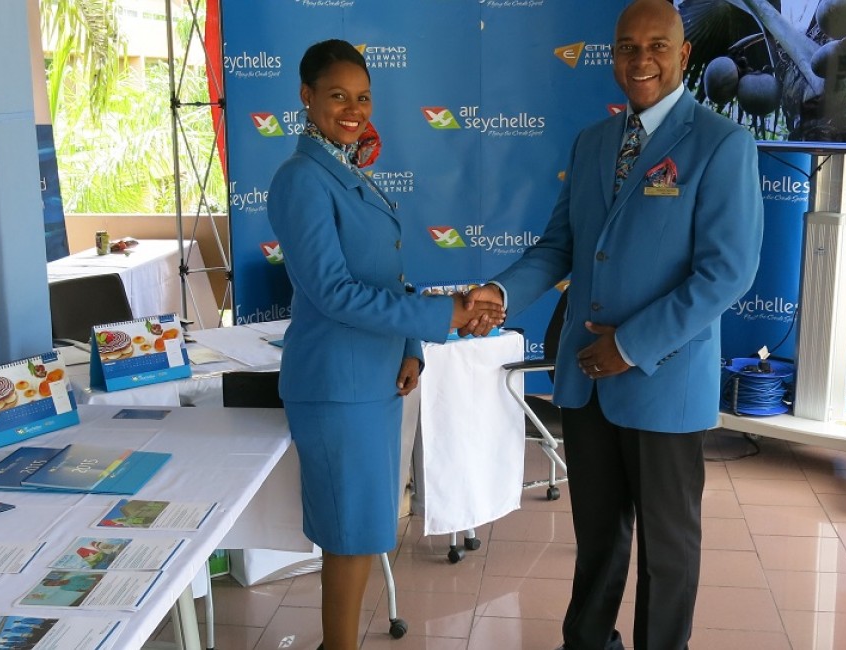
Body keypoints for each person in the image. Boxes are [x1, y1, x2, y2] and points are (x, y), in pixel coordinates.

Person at [463, 2, 763, 648]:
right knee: (598, 540)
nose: (641, 59)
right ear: (613, 56)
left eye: (658, 45)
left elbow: (726, 274)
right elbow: (557, 247)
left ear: (684, 56)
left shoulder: (722, 144)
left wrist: (630, 345)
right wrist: (498, 293)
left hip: (661, 379)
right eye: (627, 47)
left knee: (667, 552)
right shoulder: (595, 143)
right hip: (587, 380)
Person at [267, 39, 503, 650]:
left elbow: (384, 279)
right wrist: (442, 316)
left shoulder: (347, 171)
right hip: (335, 385)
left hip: (373, 378)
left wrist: (412, 345)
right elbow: (335, 293)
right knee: (350, 535)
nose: (353, 108)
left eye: (363, 96)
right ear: (306, 97)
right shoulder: (302, 180)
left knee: (366, 530)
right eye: (338, 95)